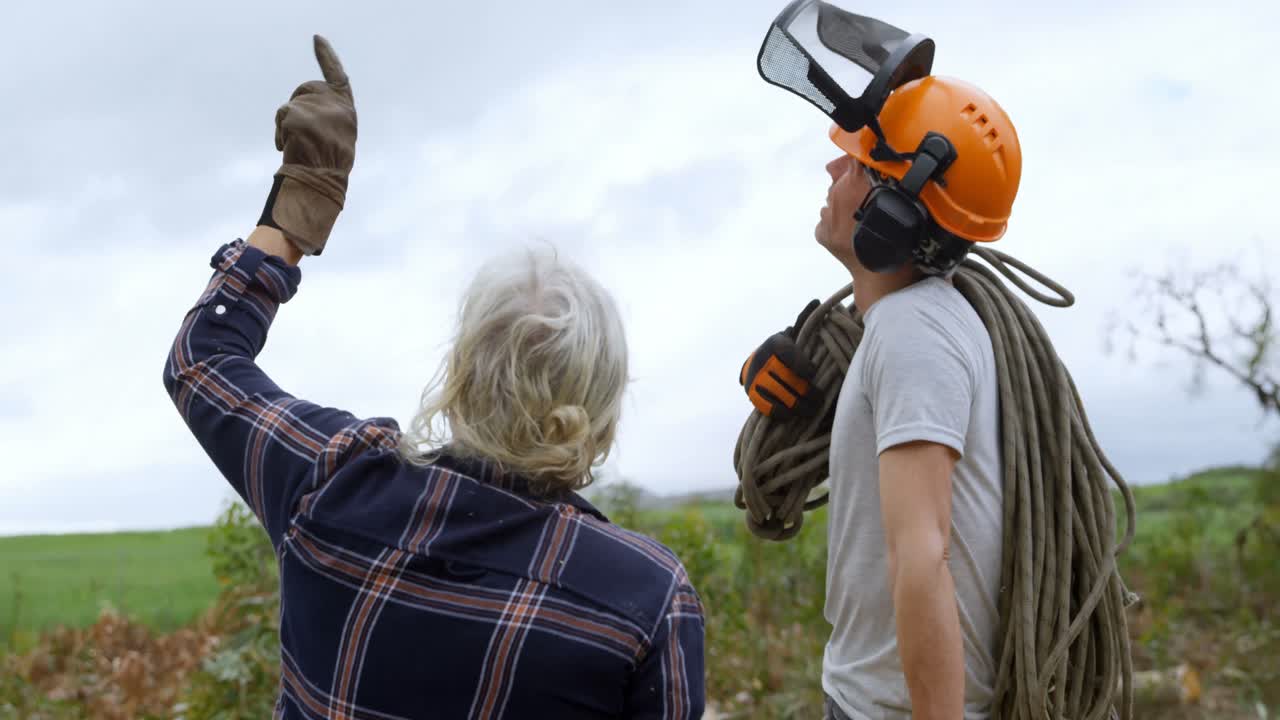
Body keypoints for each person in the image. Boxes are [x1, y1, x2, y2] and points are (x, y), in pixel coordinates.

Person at [163, 36, 705, 719]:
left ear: (460, 369)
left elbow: (201, 360)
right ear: (600, 414)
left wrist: (298, 208)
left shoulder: (331, 482)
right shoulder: (646, 600)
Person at [741, 75, 1021, 720]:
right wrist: (814, 400)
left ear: (892, 214)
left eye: (860, 162)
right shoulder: (915, 323)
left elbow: (922, 556)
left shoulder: (911, 329)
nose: (834, 163)